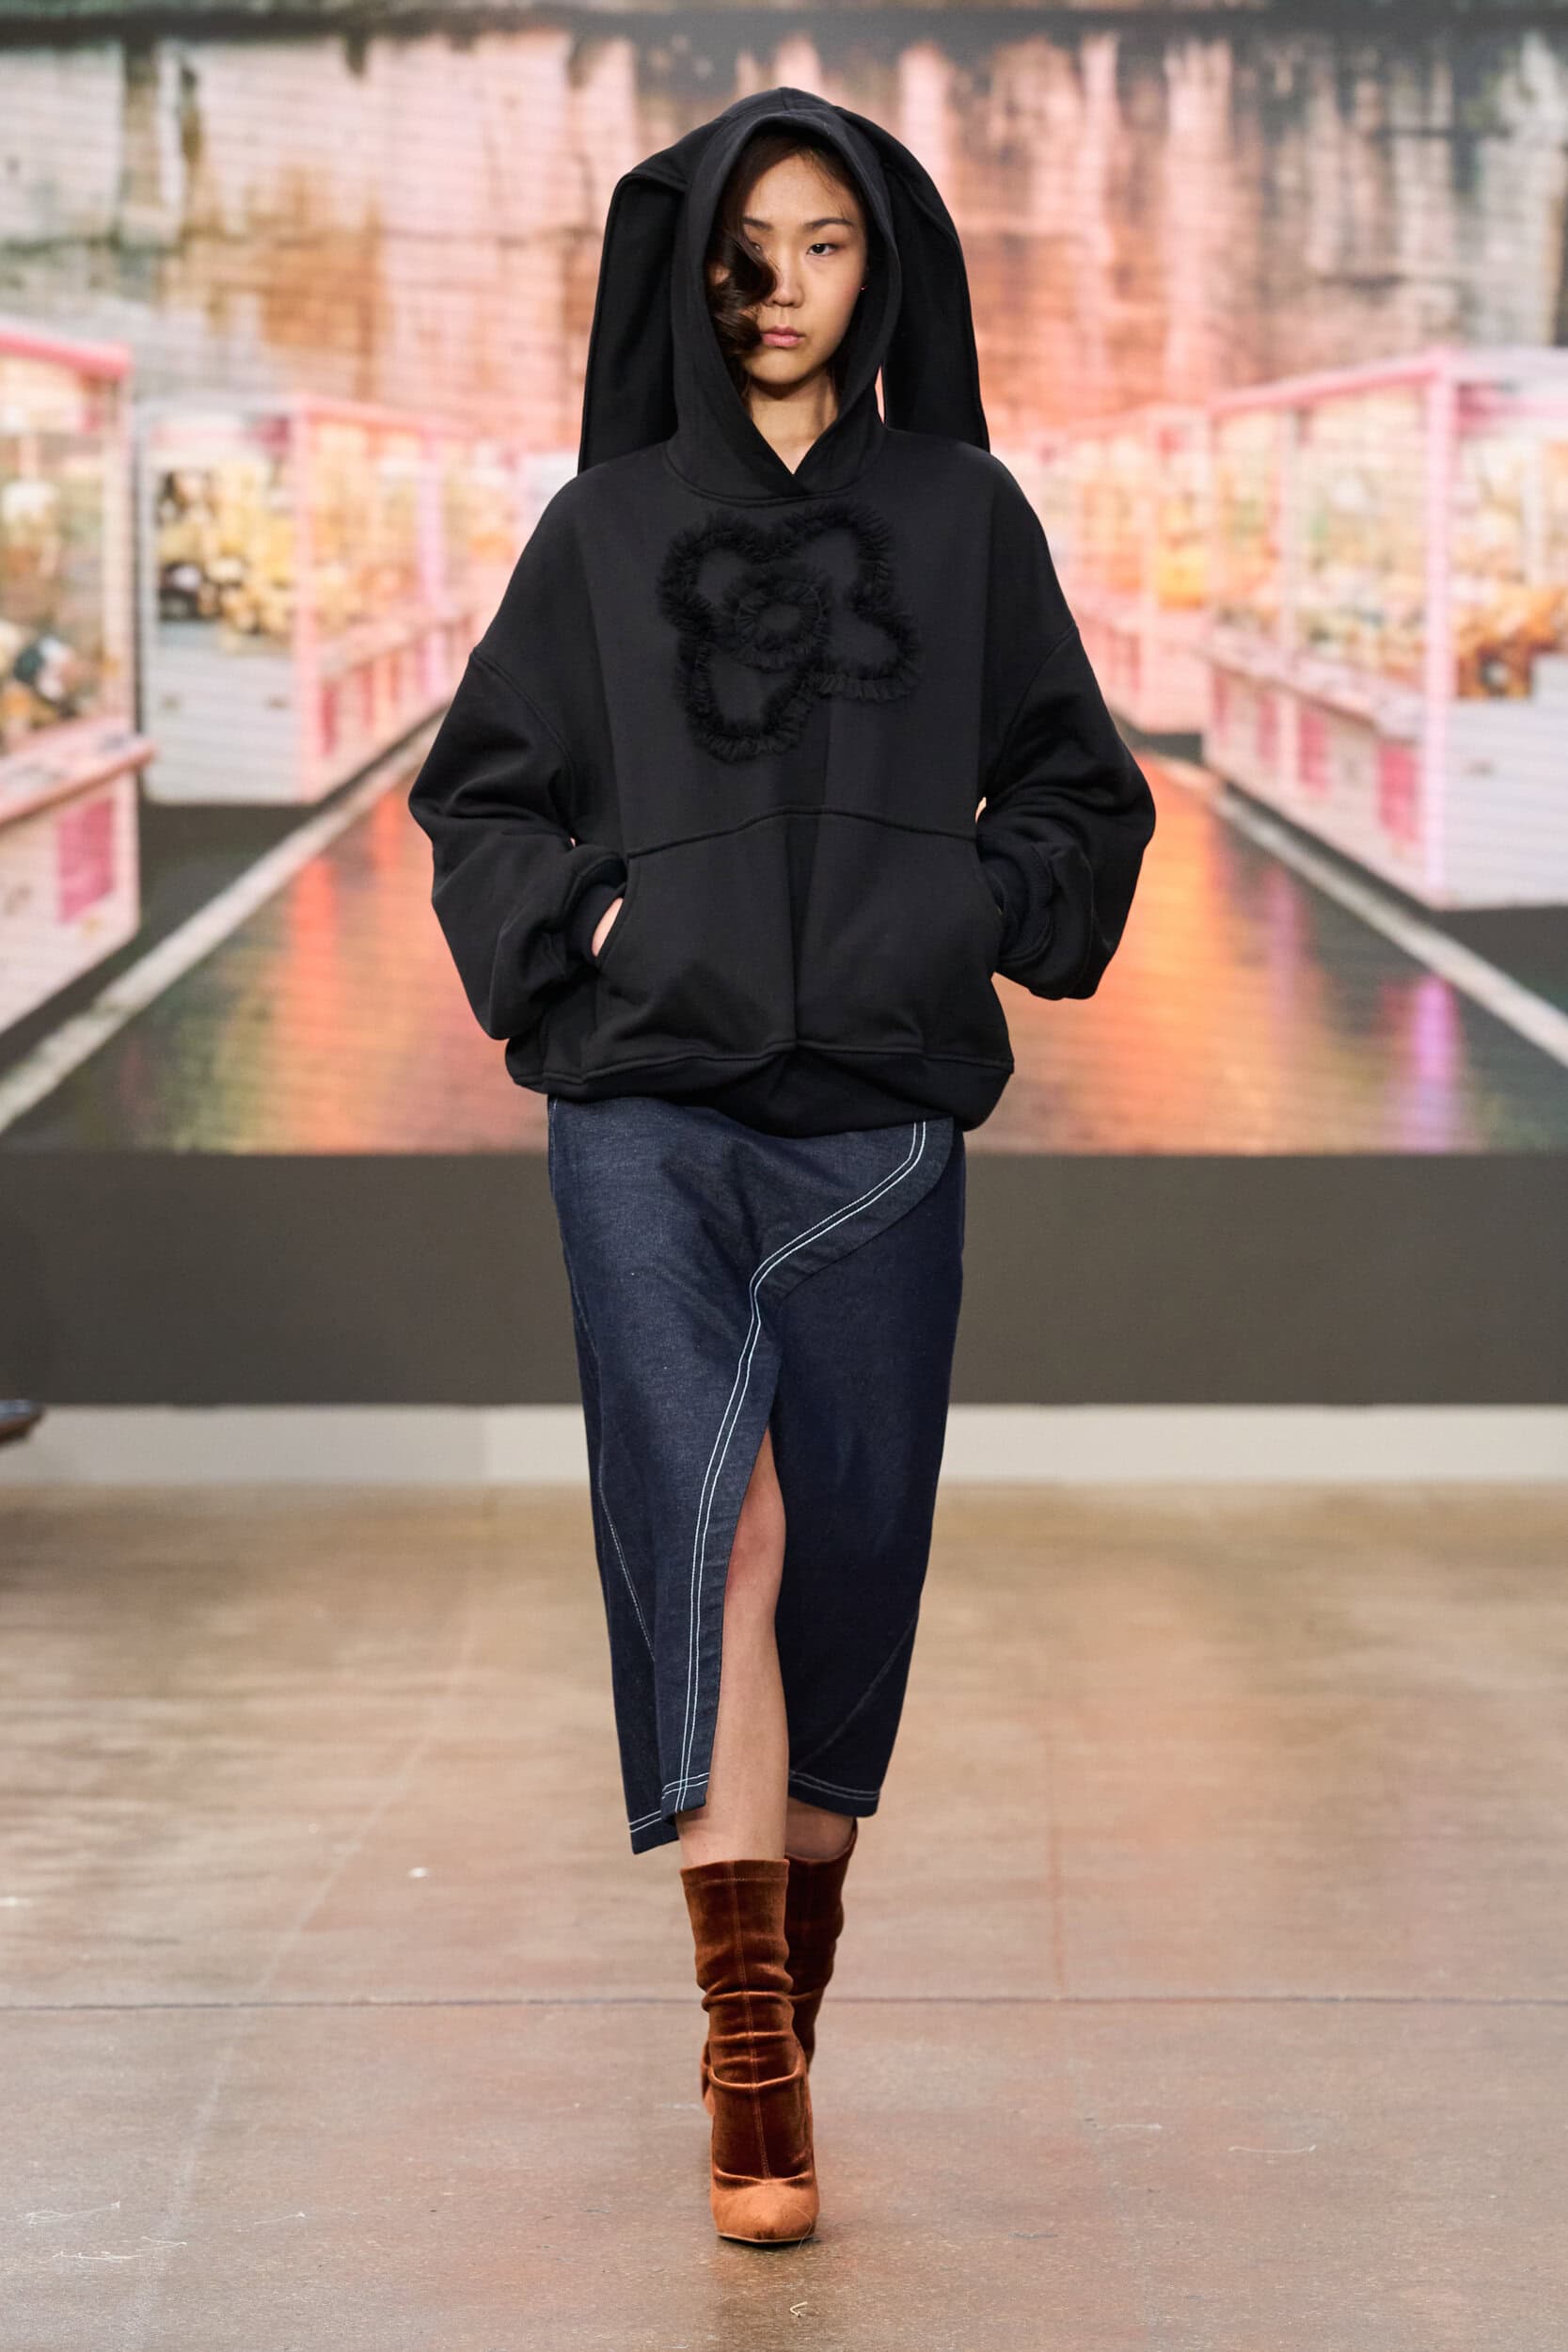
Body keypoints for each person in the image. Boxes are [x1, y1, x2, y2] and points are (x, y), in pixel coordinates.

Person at [408, 85, 1156, 2249]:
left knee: (847, 1568)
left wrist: (954, 908)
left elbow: (1081, 798)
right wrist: (601, 927)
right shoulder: (606, 525)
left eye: (829, 243)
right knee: (715, 1524)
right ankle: (750, 2064)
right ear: (693, 266)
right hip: (648, 1105)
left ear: (880, 266)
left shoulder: (964, 513)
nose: (784, 285)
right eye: (753, 246)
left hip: (877, 1120)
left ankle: (784, 2002)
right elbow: (484, 797)